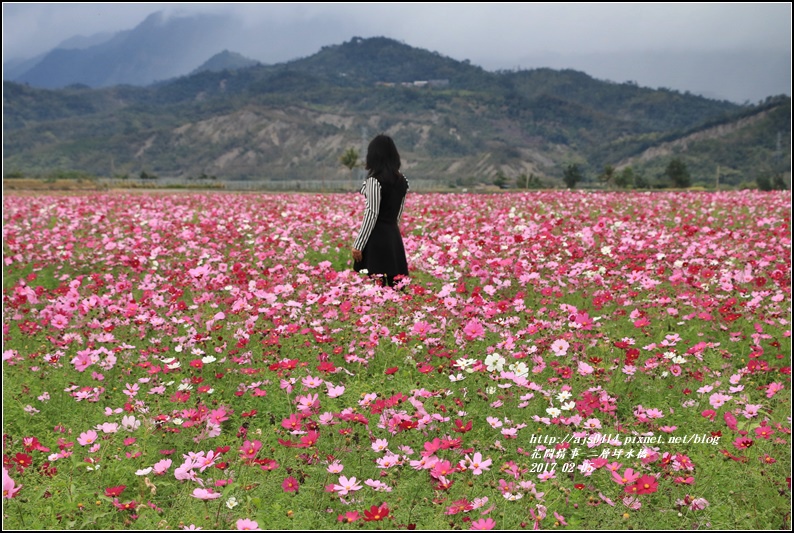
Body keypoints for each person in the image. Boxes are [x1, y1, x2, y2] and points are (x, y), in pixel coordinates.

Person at [351, 134, 409, 288]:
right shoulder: (403, 181)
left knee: (375, 289)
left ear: (373, 156)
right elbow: (398, 214)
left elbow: (372, 214)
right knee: (396, 288)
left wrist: (359, 244)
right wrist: (391, 233)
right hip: (393, 238)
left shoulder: (374, 181)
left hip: (376, 240)